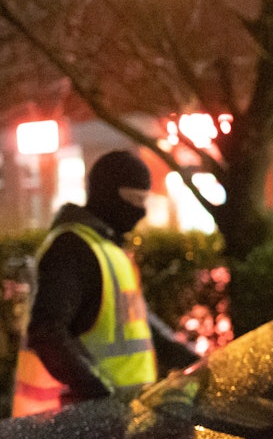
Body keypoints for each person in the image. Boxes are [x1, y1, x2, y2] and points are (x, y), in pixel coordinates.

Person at [11, 150, 196, 417]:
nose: (141, 211)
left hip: (116, 419)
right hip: (77, 426)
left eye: (145, 200)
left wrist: (196, 362)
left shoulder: (108, 248)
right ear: (108, 195)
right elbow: (47, 330)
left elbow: (140, 323)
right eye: (134, 200)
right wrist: (100, 393)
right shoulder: (72, 248)